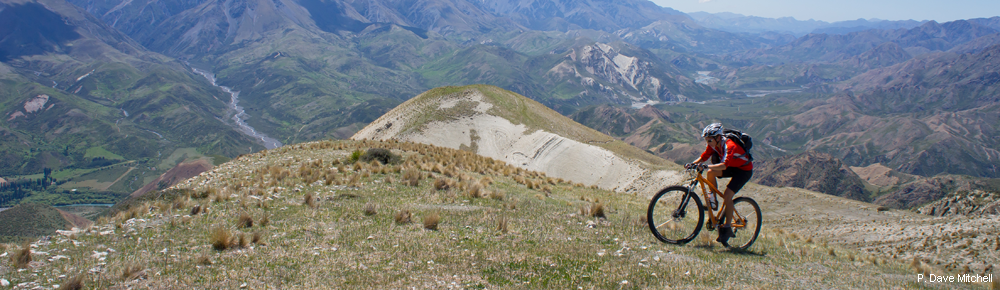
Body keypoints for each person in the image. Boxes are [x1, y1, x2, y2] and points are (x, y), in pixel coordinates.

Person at [685, 123, 753, 248]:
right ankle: (713, 199)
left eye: (709, 140)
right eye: (706, 140)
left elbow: (724, 165)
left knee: (728, 195)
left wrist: (705, 166)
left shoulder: (729, 145)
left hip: (743, 171)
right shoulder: (714, 144)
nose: (708, 142)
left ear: (718, 137)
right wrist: (691, 164)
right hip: (733, 167)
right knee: (711, 172)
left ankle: (727, 227)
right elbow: (704, 156)